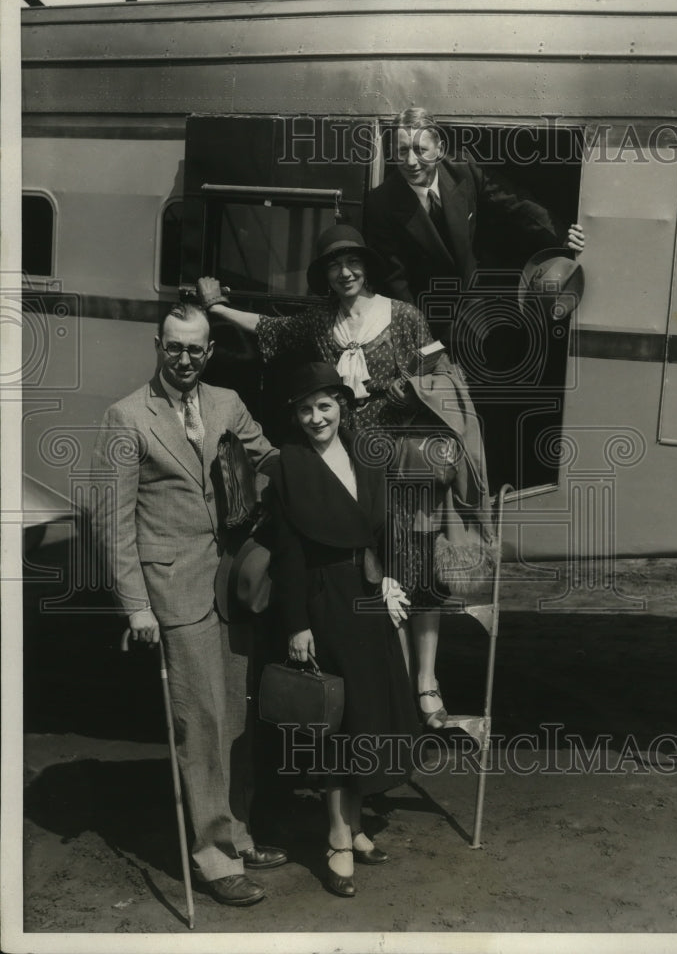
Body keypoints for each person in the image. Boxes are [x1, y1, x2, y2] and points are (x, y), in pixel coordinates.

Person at [197, 225, 467, 731]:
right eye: (333, 266)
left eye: (352, 263)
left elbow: (442, 373)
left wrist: (420, 403)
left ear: (367, 267)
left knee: (415, 570)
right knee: (368, 575)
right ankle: (391, 692)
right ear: (324, 275)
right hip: (346, 463)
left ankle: (426, 684)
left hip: (400, 460)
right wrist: (217, 311)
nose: (344, 273)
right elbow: (269, 329)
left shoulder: (404, 316)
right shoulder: (320, 322)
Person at [90, 301, 287, 908]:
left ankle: (241, 831)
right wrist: (136, 607)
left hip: (231, 583)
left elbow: (269, 459)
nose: (185, 358)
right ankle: (214, 858)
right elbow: (111, 523)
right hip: (173, 591)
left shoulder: (227, 402)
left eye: (196, 349)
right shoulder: (126, 417)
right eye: (174, 347)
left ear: (209, 351)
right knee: (200, 723)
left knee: (234, 716)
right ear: (157, 344)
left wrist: (311, 471)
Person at [268, 362, 419, 898]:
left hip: (367, 593)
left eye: (325, 406)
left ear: (342, 406)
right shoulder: (288, 466)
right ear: (295, 414)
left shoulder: (365, 454)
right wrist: (297, 625)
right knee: (335, 724)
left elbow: (383, 526)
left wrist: (390, 579)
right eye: (305, 409)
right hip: (324, 599)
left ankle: (354, 827)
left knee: (366, 716)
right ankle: (335, 837)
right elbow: (287, 556)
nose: (316, 418)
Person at [363, 106, 585, 341]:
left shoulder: (463, 168)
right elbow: (395, 281)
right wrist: (418, 335)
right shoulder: (381, 203)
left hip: (476, 302)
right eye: (402, 150)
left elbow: (513, 201)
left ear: (439, 149)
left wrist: (561, 234)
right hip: (426, 315)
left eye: (420, 150)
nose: (410, 161)